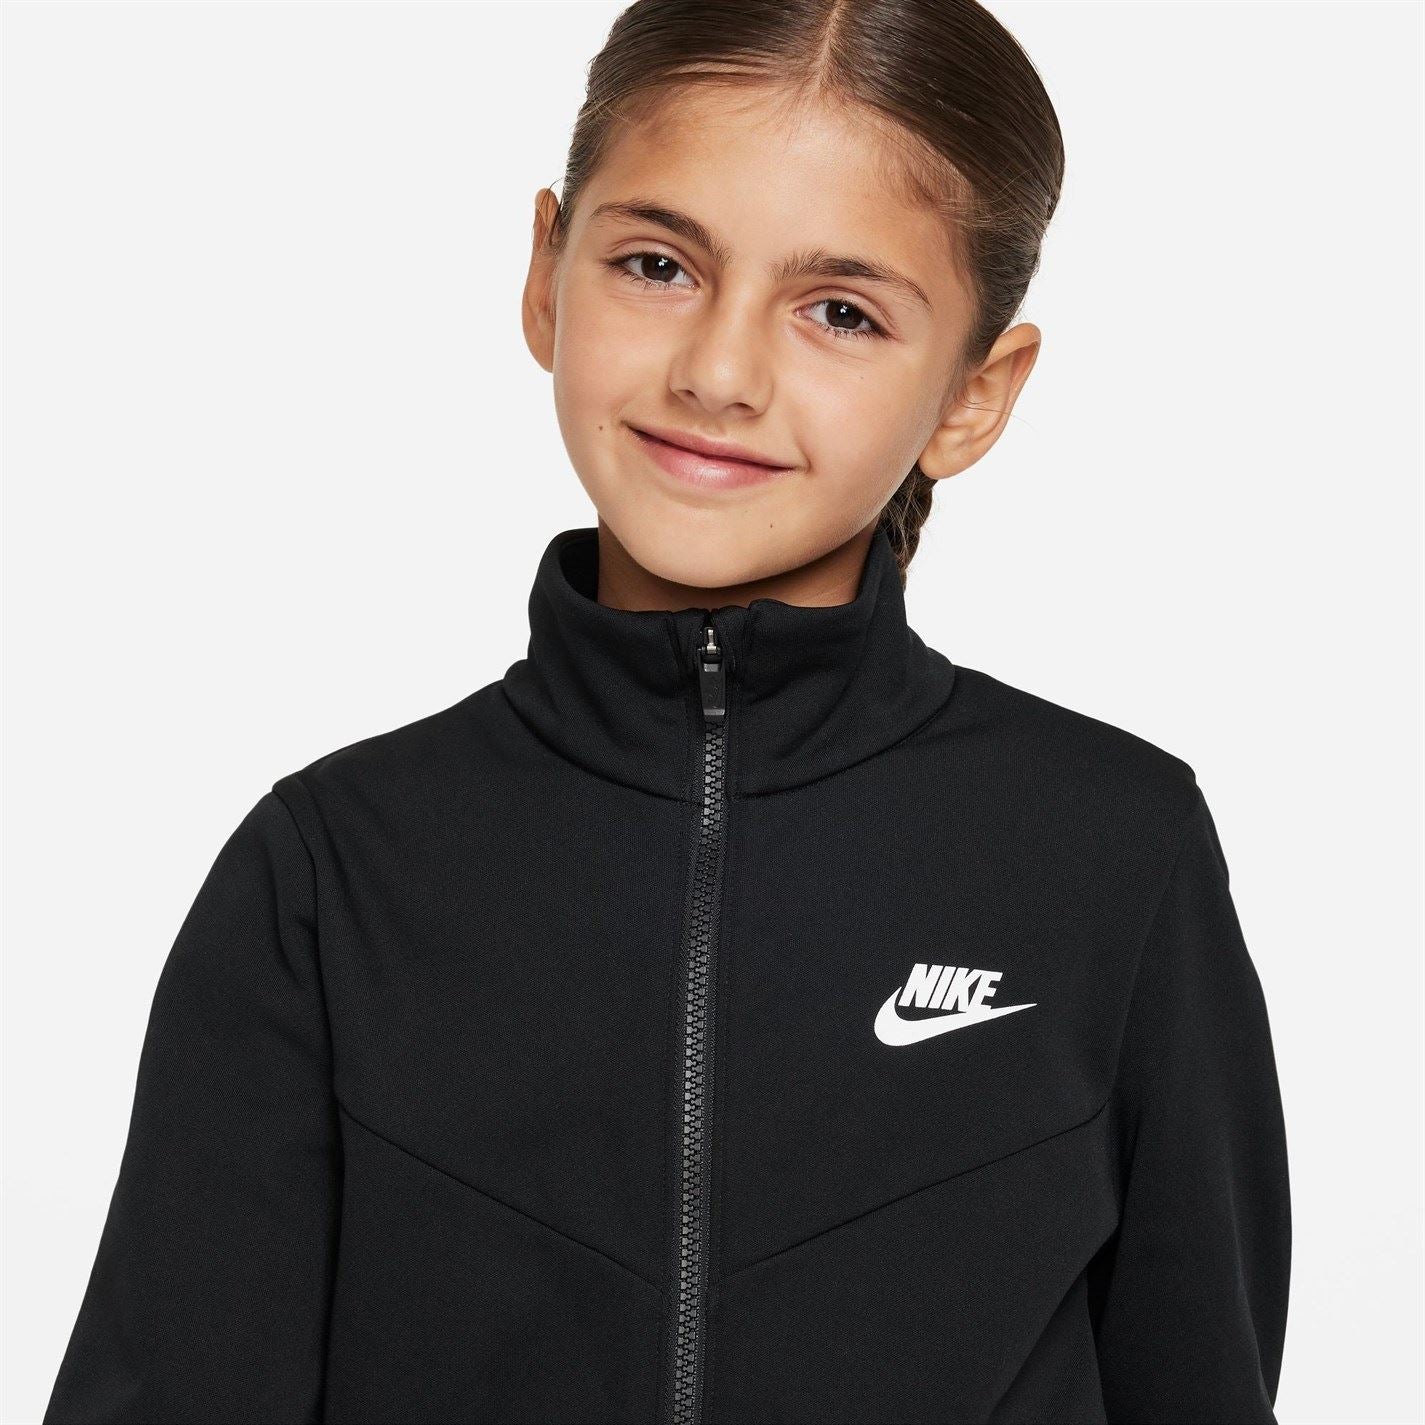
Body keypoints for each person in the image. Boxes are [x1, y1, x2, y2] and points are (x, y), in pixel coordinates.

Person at [43, 1, 1291, 1422]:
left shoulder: (1113, 852)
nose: (718, 372)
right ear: (544, 274)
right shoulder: (330, 872)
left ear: (973, 395)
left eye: (840, 311)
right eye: (657, 265)